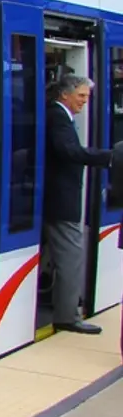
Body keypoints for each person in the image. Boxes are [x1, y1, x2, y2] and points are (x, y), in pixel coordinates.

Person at [43, 74, 117, 335]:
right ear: (65, 94)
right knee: (71, 257)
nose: (85, 102)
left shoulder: (57, 115)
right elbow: (69, 152)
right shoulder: (58, 117)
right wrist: (111, 157)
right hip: (61, 201)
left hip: (54, 199)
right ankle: (67, 316)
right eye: (82, 96)